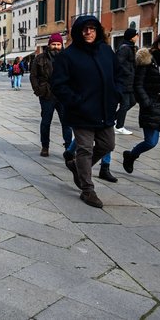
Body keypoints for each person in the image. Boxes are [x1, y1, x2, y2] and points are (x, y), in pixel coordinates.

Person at [52, 15, 120, 209]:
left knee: (108, 144)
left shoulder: (106, 51)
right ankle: (87, 189)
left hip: (105, 110)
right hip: (80, 112)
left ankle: (78, 167)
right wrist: (76, 101)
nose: (88, 32)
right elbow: (58, 84)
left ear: (97, 30)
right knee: (85, 149)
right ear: (78, 32)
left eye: (92, 28)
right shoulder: (68, 55)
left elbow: (119, 74)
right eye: (84, 29)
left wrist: (118, 94)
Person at [123, 31, 160, 190]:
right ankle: (131, 155)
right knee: (151, 141)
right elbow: (138, 84)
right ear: (157, 42)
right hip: (154, 106)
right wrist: (147, 102)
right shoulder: (147, 60)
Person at [30, 33, 72, 157]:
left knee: (67, 123)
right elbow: (33, 76)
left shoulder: (67, 58)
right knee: (46, 122)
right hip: (46, 94)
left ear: (62, 45)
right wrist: (38, 90)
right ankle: (45, 146)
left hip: (63, 95)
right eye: (54, 44)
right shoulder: (40, 58)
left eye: (58, 44)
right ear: (49, 45)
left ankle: (69, 147)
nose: (56, 47)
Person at [114, 28, 139, 135]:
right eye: (136, 35)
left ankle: (113, 119)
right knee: (125, 104)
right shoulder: (125, 48)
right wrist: (128, 72)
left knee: (132, 102)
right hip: (124, 81)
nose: (137, 37)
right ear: (132, 37)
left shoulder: (130, 47)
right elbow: (118, 63)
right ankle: (119, 126)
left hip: (129, 81)